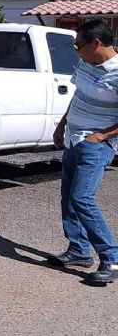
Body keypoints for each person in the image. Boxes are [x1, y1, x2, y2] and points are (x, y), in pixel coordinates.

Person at [49, 20, 118, 285]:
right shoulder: (86, 64)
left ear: (96, 44)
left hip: (95, 146)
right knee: (68, 197)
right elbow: (77, 97)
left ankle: (110, 257)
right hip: (72, 139)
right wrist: (61, 126)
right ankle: (78, 251)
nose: (77, 50)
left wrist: (100, 136)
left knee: (82, 198)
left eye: (79, 45)